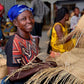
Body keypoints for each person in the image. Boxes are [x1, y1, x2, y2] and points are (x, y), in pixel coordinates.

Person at [1, 4, 56, 84]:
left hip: (32, 76)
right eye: (24, 19)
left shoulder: (29, 37)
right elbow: (13, 75)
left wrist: (45, 63)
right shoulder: (14, 42)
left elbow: (32, 58)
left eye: (31, 17)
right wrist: (39, 67)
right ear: (15, 22)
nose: (29, 21)